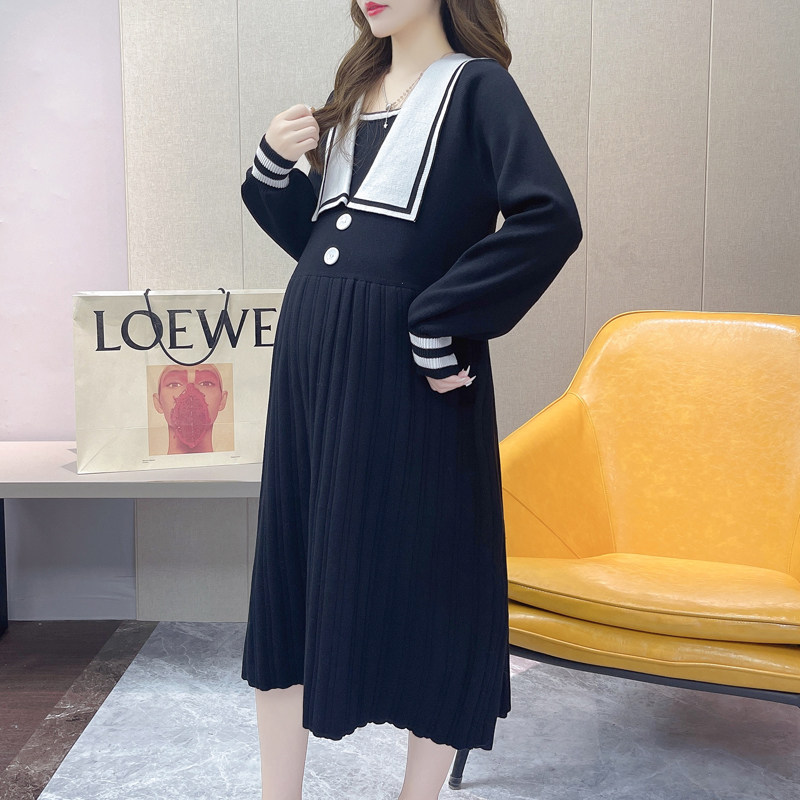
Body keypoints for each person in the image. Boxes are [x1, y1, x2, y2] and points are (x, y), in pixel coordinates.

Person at [240, 1, 583, 798]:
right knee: (295, 566)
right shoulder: (353, 95)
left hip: (406, 370)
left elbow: (549, 218)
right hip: (312, 358)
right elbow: (334, 247)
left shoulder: (478, 89)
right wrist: (272, 169)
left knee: (434, 572)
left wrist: (440, 320)